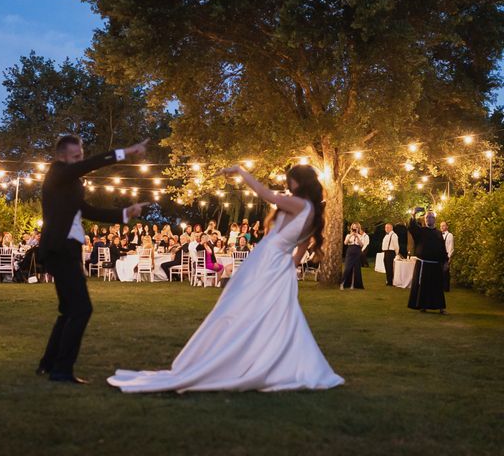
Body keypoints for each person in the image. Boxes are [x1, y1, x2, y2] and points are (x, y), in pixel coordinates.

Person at [108, 164, 344, 392]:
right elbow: (299, 253)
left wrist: (242, 172)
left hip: (267, 259)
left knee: (240, 306)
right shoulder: (313, 213)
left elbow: (265, 194)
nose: (287, 183)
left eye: (290, 179)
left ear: (298, 181)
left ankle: (240, 358)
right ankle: (274, 361)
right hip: (280, 265)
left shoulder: (298, 203)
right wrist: (285, 273)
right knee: (275, 315)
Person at [36, 135, 149, 384]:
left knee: (68, 310)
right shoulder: (57, 173)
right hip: (59, 249)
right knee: (81, 309)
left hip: (66, 250)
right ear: (62, 156)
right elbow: (90, 165)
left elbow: (89, 211)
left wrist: (124, 213)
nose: (81, 160)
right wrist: (126, 151)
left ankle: (49, 364)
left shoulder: (71, 184)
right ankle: (61, 370)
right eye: (76, 157)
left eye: (81, 155)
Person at [407, 209, 448, 314]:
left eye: (430, 217)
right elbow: (412, 227)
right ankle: (423, 306)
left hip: (435, 265)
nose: (428, 219)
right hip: (423, 264)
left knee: (436, 287)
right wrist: (413, 214)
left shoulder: (439, 234)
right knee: (423, 287)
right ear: (424, 220)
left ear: (434, 219)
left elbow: (442, 249)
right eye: (427, 217)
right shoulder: (421, 231)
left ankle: (440, 307)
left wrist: (445, 262)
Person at [340, 223, 364, 290]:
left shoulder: (360, 236)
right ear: (351, 228)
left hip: (357, 252)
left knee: (356, 269)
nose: (354, 228)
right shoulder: (348, 235)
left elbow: (361, 245)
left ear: (358, 228)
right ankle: (342, 284)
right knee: (347, 268)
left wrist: (357, 237)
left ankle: (353, 285)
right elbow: (345, 243)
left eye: (356, 227)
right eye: (353, 227)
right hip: (350, 251)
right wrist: (351, 235)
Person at [440, 221, 454, 292]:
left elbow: (450, 247)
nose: (442, 227)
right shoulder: (439, 234)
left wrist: (449, 257)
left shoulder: (450, 235)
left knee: (446, 272)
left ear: (447, 227)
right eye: (441, 226)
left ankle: (446, 288)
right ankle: (440, 286)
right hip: (440, 256)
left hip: (446, 256)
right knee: (440, 272)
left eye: (443, 226)